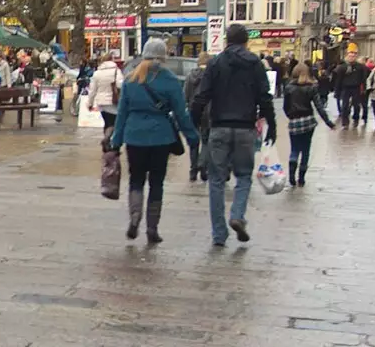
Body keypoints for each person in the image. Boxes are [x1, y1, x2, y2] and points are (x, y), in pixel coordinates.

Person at [190, 24, 276, 246]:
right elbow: (264, 97)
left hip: (219, 126)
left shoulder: (215, 63)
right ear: (246, 41)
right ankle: (237, 214)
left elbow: (201, 96)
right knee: (244, 176)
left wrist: (192, 123)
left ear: (227, 40)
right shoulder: (255, 63)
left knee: (216, 180)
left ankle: (219, 233)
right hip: (245, 127)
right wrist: (271, 124)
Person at [109, 39, 199, 244]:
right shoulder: (169, 79)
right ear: (164, 56)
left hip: (134, 137)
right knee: (157, 182)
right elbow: (181, 113)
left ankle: (134, 219)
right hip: (161, 137)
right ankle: (152, 228)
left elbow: (121, 114)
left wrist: (117, 140)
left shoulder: (131, 79)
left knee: (136, 179)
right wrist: (192, 136)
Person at [282, 63, 336, 187]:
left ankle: (291, 175)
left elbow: (286, 107)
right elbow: (319, 107)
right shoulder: (311, 87)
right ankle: (301, 178)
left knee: (294, 149)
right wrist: (328, 122)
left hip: (294, 121)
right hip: (308, 121)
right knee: (305, 150)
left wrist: (290, 116)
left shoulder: (288, 87)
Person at [183, 52, 212, 182]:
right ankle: (203, 166)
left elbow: (185, 94)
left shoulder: (190, 76)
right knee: (206, 140)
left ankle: (193, 171)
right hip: (208, 111)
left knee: (194, 142)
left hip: (193, 111)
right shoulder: (211, 76)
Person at [88, 56, 123, 136]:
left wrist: (90, 104)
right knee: (114, 123)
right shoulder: (116, 71)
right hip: (113, 101)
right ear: (112, 60)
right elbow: (120, 85)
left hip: (101, 102)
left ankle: (106, 139)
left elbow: (92, 91)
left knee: (107, 122)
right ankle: (111, 142)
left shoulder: (97, 73)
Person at [333, 53, 365, 128]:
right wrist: (337, 91)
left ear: (356, 58)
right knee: (345, 105)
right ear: (347, 57)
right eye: (350, 56)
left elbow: (363, 78)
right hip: (346, 88)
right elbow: (338, 79)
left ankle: (356, 117)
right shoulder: (342, 67)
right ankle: (345, 122)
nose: (351, 58)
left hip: (356, 87)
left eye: (353, 56)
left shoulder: (360, 67)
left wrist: (364, 88)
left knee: (356, 105)